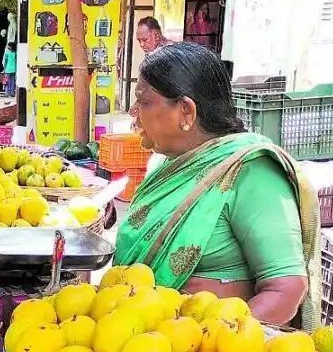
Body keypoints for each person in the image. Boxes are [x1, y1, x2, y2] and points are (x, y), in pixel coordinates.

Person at [114, 42, 318, 327]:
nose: (133, 112)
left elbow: (287, 289)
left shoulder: (251, 173)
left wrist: (213, 341)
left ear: (186, 111)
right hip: (144, 348)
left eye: (143, 101)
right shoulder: (167, 163)